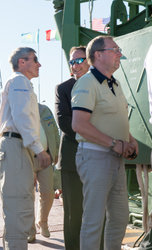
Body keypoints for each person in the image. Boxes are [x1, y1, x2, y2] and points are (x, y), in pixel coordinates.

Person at [71, 35, 138, 249]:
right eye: (115, 49)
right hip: (95, 157)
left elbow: (114, 119)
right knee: (94, 220)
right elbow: (79, 124)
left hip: (114, 158)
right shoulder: (87, 83)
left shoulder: (114, 84)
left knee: (119, 217)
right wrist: (115, 144)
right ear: (98, 55)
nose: (120, 53)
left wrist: (130, 140)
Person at [0, 47, 51, 249]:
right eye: (35, 60)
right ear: (22, 63)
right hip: (15, 145)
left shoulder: (22, 83)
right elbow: (21, 117)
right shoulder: (19, 81)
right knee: (18, 206)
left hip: (18, 147)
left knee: (21, 205)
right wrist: (39, 150)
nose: (39, 64)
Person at [54, 45, 89, 249]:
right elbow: (64, 122)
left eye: (79, 60)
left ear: (90, 61)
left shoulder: (102, 86)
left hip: (100, 158)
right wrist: (95, 137)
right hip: (72, 159)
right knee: (74, 214)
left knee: (98, 212)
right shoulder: (63, 89)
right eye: (72, 62)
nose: (75, 65)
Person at [28, 103, 59, 242]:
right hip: (28, 158)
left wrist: (56, 151)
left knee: (48, 193)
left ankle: (43, 222)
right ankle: (30, 229)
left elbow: (54, 131)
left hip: (46, 157)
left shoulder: (45, 110)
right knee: (29, 196)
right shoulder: (21, 110)